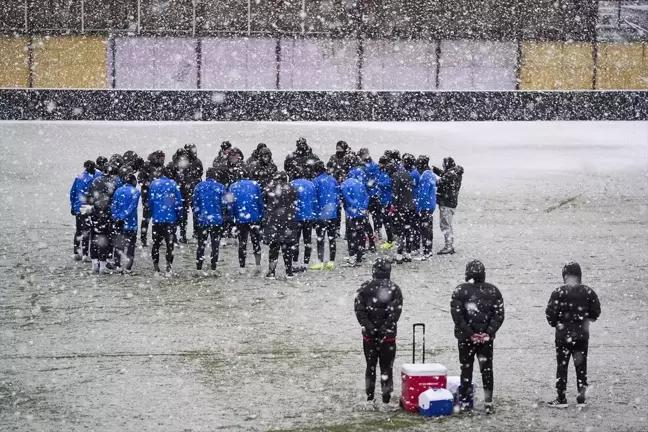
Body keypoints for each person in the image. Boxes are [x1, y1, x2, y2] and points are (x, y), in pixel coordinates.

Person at [450, 260, 505, 414]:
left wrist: (470, 333)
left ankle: (466, 403)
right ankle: (488, 402)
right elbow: (499, 315)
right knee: (487, 370)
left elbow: (457, 316)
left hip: (466, 339)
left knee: (466, 369)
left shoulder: (460, 290)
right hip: (486, 340)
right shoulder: (494, 291)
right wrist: (487, 332)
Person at [546, 262, 601, 408]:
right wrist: (586, 321)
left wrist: (558, 323)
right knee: (581, 367)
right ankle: (581, 398)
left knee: (562, 366)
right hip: (582, 335)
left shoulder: (558, 292)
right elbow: (596, 312)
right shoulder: (588, 292)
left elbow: (550, 314)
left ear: (565, 276)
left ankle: (561, 397)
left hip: (563, 336)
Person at [354, 258, 403, 406]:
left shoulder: (364, 288)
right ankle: (386, 398)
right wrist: (384, 329)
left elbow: (359, 310)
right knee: (387, 367)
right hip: (388, 337)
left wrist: (369, 327)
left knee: (370, 366)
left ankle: (370, 396)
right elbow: (395, 313)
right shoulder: (395, 289)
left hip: (369, 336)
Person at [148, 166, 184, 276]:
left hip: (157, 219)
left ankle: (156, 269)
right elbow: (178, 202)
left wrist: (152, 214)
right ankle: (168, 268)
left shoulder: (154, 184)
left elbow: (150, 201)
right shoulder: (173, 184)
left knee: (156, 244)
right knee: (170, 245)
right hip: (170, 219)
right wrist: (180, 216)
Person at [263, 172, 298, 279]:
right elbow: (295, 200)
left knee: (273, 247)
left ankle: (272, 272)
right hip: (288, 220)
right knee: (287, 247)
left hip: (273, 220)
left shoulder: (270, 188)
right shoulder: (291, 188)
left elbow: (264, 201)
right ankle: (289, 271)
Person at [229, 167, 264, 271]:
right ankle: (258, 265)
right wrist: (262, 216)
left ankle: (242, 267)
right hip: (254, 217)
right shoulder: (255, 184)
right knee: (256, 242)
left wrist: (231, 219)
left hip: (241, 218)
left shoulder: (233, 186)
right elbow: (259, 202)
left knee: (242, 243)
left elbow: (230, 205)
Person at [85, 166, 118, 274]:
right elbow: (113, 200)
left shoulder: (96, 180)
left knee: (94, 238)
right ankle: (103, 265)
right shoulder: (111, 184)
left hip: (94, 213)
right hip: (105, 215)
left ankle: (94, 264)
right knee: (104, 240)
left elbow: (89, 197)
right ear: (113, 174)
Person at [193, 168, 227, 274]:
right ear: (215, 176)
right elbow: (226, 203)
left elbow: (195, 204)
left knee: (201, 245)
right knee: (215, 245)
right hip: (217, 220)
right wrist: (224, 216)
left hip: (203, 220)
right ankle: (213, 268)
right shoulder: (221, 187)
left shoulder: (199, 186)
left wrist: (197, 216)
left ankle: (199, 268)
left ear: (206, 176)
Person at [310, 161, 339, 270]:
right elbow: (337, 197)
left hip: (320, 215)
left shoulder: (315, 181)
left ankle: (320, 261)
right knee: (332, 238)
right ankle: (332, 261)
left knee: (320, 238)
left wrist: (314, 214)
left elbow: (314, 199)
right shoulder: (333, 180)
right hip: (332, 213)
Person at [69, 160, 100, 262]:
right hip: (89, 208)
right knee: (87, 231)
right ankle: (85, 254)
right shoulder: (97, 176)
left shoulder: (79, 177)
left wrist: (73, 206)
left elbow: (72, 192)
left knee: (79, 230)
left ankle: (76, 252)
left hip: (79, 207)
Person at [433, 157, 464, 255]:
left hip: (446, 203)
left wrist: (429, 177)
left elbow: (439, 182)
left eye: (443, 164)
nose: (442, 166)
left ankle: (448, 246)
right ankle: (450, 244)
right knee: (448, 225)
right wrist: (435, 170)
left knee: (445, 225)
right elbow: (444, 175)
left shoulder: (450, 175)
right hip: (451, 203)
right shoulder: (455, 173)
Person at [111, 174, 141, 275]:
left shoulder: (118, 190)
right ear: (133, 181)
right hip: (131, 223)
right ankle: (128, 269)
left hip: (119, 223)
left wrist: (117, 217)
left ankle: (118, 266)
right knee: (131, 247)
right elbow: (133, 206)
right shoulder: (135, 192)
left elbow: (113, 205)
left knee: (119, 245)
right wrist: (124, 216)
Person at [387, 163, 416, 264]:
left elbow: (395, 193)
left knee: (400, 231)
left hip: (401, 207)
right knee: (408, 230)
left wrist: (392, 208)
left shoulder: (396, 176)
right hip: (411, 206)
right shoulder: (408, 174)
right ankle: (408, 253)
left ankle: (399, 255)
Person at [347, 155, 376, 253]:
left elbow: (350, 187)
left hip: (356, 200)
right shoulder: (364, 170)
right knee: (366, 223)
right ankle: (371, 244)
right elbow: (370, 183)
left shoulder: (352, 172)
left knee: (355, 225)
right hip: (365, 198)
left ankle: (357, 247)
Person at [340, 168, 369, 267]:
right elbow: (366, 197)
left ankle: (352, 257)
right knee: (361, 234)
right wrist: (363, 207)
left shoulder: (345, 184)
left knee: (351, 235)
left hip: (352, 213)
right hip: (362, 213)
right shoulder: (361, 184)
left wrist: (353, 206)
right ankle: (360, 256)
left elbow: (346, 197)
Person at [291, 167, 317, 270]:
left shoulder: (292, 184)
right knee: (307, 240)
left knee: (295, 241)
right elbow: (314, 201)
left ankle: (295, 263)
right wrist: (314, 215)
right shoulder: (310, 184)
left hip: (296, 216)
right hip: (308, 216)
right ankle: (306, 263)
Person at [138, 150, 165, 246]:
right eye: (161, 160)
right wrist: (149, 184)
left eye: (164, 160)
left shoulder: (162, 168)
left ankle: (157, 238)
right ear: (156, 158)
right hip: (147, 195)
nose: (163, 162)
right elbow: (140, 180)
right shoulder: (146, 165)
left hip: (158, 197)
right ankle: (143, 238)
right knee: (146, 218)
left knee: (157, 218)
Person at [415, 156, 437, 261]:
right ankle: (429, 250)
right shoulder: (431, 174)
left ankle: (426, 252)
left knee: (424, 230)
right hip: (431, 205)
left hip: (425, 206)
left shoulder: (425, 176)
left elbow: (423, 194)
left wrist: (418, 206)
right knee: (429, 229)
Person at [184, 143, 204, 239]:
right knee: (186, 212)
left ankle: (194, 232)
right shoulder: (188, 161)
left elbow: (200, 174)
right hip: (187, 190)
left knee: (195, 211)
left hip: (192, 189)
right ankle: (186, 233)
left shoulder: (197, 161)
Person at [402, 153, 421, 254]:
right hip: (412, 202)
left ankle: (415, 246)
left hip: (413, 202)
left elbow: (410, 187)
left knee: (414, 225)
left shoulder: (413, 174)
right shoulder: (413, 172)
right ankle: (412, 244)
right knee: (412, 225)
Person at [376, 156, 395, 250]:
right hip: (386, 200)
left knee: (387, 221)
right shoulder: (386, 174)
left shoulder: (386, 175)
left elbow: (387, 184)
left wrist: (377, 183)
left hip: (386, 201)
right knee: (387, 221)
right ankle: (391, 239)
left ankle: (390, 241)